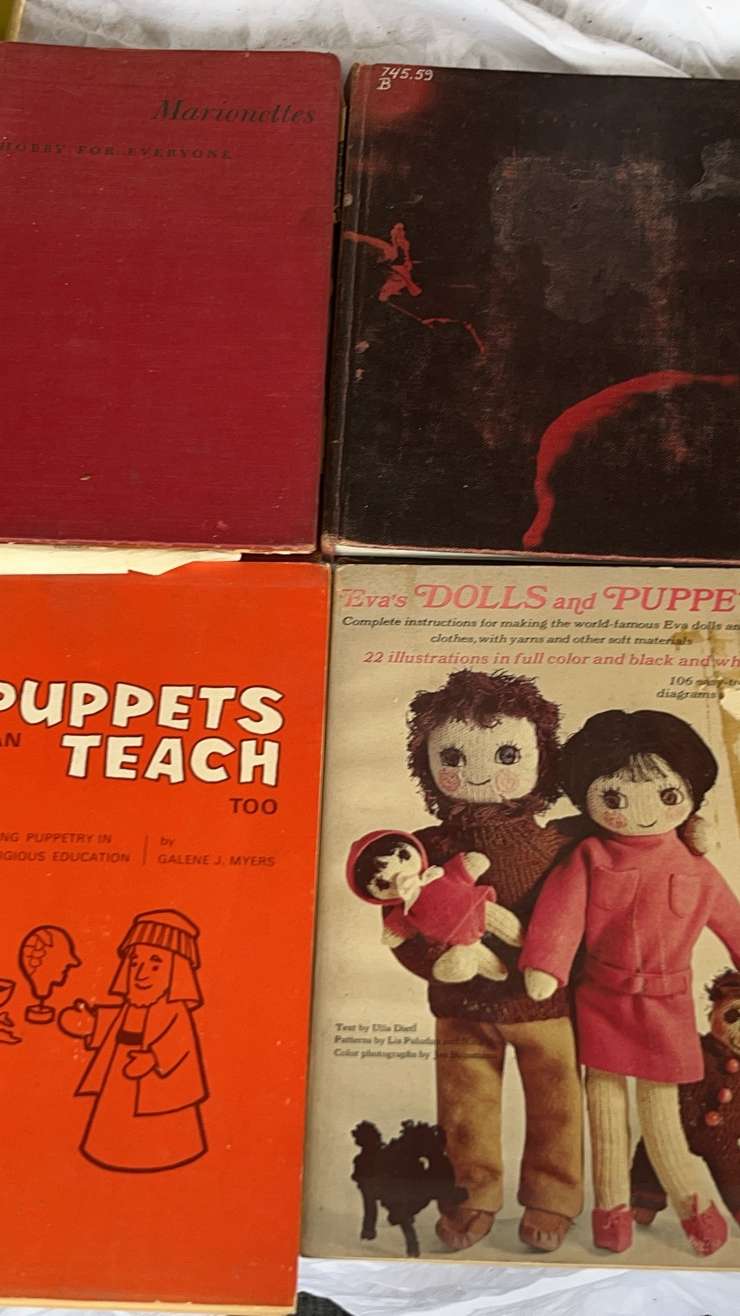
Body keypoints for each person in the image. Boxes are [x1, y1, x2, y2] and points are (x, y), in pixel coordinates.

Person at [521, 709, 740, 1256]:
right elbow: (560, 913)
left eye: (665, 795)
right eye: (616, 797)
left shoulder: (694, 867)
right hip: (602, 998)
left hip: (667, 1005)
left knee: (662, 1112)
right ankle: (610, 1209)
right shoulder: (590, 856)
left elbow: (730, 919)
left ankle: (692, 1202)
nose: (641, 813)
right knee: (605, 1108)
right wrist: (546, 964)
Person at [59, 908, 208, 1172]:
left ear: (176, 971)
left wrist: (153, 1058)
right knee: (114, 1123)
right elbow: (115, 1025)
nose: (141, 973)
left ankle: (160, 1154)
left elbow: (180, 1044)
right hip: (119, 1081)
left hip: (157, 1090)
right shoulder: (133, 1005)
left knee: (158, 1130)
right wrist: (91, 1024)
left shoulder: (175, 1011)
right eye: (135, 962)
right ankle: (110, 1148)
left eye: (155, 964)